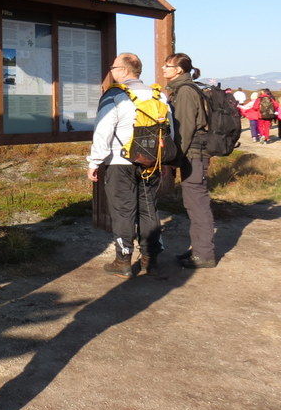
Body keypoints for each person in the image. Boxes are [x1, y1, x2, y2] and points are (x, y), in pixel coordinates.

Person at [86, 53, 165, 278]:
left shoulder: (115, 95)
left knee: (123, 210)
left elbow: (103, 129)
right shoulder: (159, 95)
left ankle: (123, 260)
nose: (111, 71)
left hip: (120, 161)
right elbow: (169, 131)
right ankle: (150, 260)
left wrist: (94, 161)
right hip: (151, 161)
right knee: (148, 208)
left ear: (123, 70)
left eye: (113, 67)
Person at [162, 53, 217, 269]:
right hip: (193, 153)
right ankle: (199, 249)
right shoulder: (184, 89)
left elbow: (184, 130)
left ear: (179, 70)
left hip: (194, 154)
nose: (163, 69)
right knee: (193, 202)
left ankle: (204, 255)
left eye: (167, 66)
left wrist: (174, 158)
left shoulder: (185, 91)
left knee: (197, 204)